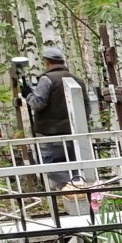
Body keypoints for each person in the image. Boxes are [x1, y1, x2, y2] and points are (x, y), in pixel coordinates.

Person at [24, 44, 82, 189]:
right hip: (74, 132)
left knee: (48, 166)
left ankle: (71, 188)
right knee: (74, 166)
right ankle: (77, 192)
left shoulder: (47, 79)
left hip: (50, 133)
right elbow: (85, 106)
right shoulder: (77, 80)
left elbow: (38, 103)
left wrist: (28, 94)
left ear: (47, 62)